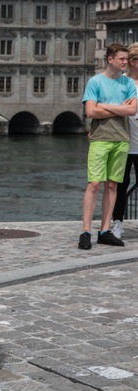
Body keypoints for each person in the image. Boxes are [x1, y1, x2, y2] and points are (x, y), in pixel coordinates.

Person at [79, 43, 137, 250]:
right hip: (100, 138)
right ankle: (85, 231)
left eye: (126, 59)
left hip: (122, 139)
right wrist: (120, 108)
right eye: (122, 59)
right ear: (110, 59)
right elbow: (90, 112)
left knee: (112, 186)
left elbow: (132, 111)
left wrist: (102, 105)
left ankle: (105, 230)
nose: (125, 62)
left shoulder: (128, 83)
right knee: (94, 184)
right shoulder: (95, 82)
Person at [112, 42, 138, 240]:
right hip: (122, 141)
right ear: (132, 61)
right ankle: (117, 223)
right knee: (120, 184)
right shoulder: (121, 83)